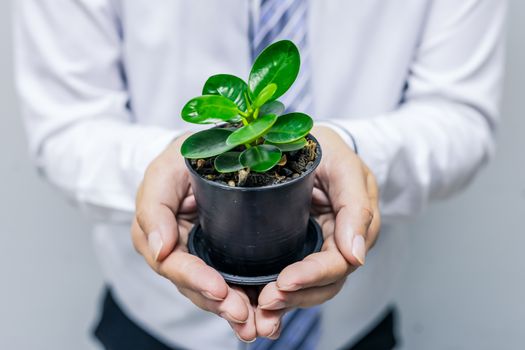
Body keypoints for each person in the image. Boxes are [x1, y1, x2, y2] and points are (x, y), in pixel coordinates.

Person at [14, 0, 505, 349]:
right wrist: (165, 172)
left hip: (354, 329)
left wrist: (355, 154)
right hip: (154, 329)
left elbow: (459, 116)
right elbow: (66, 126)